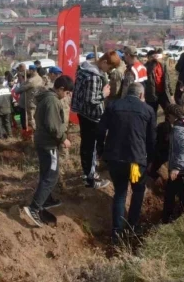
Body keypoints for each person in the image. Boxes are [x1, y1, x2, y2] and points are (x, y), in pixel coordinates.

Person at [99, 83, 156, 244]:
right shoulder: (148, 110)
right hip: (136, 162)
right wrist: (150, 160)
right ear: (141, 95)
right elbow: (152, 139)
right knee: (138, 190)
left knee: (120, 192)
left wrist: (101, 150)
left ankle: (116, 232)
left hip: (115, 159)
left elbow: (101, 129)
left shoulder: (113, 105)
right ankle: (132, 226)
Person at [23, 75, 75, 228]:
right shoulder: (52, 101)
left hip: (43, 141)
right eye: (66, 93)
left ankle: (47, 198)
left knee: (47, 172)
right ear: (60, 89)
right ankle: (34, 208)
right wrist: (63, 138)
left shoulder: (48, 98)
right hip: (48, 144)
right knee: (51, 175)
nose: (67, 96)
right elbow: (53, 126)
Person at [71, 51, 121, 189]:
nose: (109, 71)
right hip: (91, 116)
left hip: (83, 113)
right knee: (90, 147)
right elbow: (91, 100)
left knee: (86, 145)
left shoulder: (84, 68)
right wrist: (103, 94)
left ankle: (88, 172)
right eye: (110, 68)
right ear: (104, 62)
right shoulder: (93, 76)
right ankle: (90, 179)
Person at [14, 67, 44, 133]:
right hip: (38, 102)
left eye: (30, 70)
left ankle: (34, 134)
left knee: (31, 119)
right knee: (37, 118)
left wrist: (17, 90)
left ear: (32, 70)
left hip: (31, 102)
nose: (29, 72)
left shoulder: (31, 80)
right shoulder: (40, 78)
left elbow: (21, 89)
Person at [145, 49, 173, 116]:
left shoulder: (163, 65)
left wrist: (171, 93)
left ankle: (168, 125)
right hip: (152, 94)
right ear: (148, 58)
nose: (154, 59)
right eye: (151, 57)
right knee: (152, 114)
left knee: (169, 112)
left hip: (163, 93)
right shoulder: (145, 67)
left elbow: (167, 79)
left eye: (155, 57)